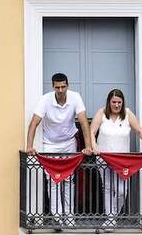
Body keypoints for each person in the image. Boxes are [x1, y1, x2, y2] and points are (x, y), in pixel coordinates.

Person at [26, 73, 93, 223]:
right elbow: (33, 124)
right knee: (54, 179)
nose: (61, 90)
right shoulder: (45, 99)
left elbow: (83, 123)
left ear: (67, 86)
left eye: (63, 86)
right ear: (53, 87)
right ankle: (57, 216)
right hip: (49, 144)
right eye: (57, 87)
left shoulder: (75, 97)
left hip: (69, 142)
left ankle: (68, 216)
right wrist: (29, 146)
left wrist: (88, 146)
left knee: (69, 179)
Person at [89, 89, 142, 221]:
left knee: (121, 190)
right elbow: (92, 131)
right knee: (108, 187)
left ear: (122, 102)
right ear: (109, 102)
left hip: (122, 160)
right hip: (104, 158)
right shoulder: (101, 113)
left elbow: (139, 131)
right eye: (114, 102)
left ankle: (114, 214)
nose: (116, 105)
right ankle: (110, 219)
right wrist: (94, 147)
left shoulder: (127, 113)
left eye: (119, 102)